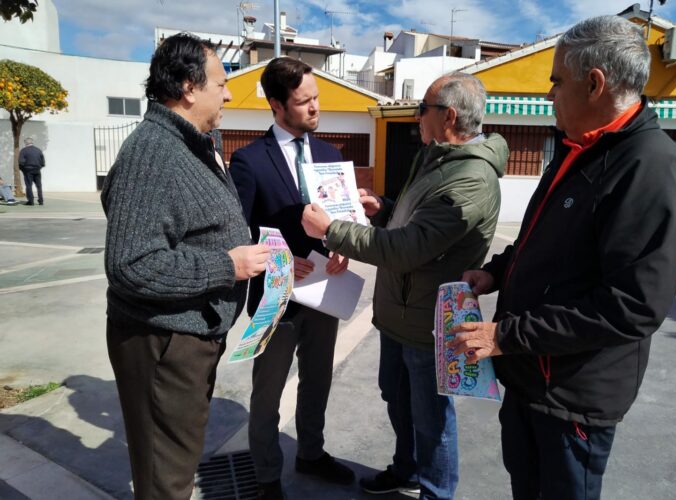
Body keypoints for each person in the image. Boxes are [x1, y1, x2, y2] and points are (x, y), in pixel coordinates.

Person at [448, 16, 676, 500]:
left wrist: (505, 334)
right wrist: (497, 272)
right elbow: (542, 241)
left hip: (571, 396)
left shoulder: (651, 170)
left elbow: (632, 307)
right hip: (530, 377)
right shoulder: (578, 148)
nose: (549, 95)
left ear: (594, 83)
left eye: (555, 81)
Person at [302, 72, 508, 499]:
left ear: (448, 116)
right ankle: (407, 469)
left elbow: (409, 248)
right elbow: (414, 223)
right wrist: (384, 208)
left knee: (431, 417)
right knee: (396, 396)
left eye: (423, 109)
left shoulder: (471, 178)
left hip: (429, 323)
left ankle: (436, 491)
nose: (416, 116)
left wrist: (333, 230)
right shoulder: (436, 157)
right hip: (401, 312)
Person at [101, 33, 270, 500]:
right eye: (221, 82)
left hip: (187, 336)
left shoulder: (189, 143)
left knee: (175, 464)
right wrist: (225, 267)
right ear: (188, 87)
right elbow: (131, 264)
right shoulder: (152, 153)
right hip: (163, 342)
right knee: (165, 479)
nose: (229, 92)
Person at [229, 57, 354, 500]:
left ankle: (311, 453)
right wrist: (278, 255)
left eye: (317, 97)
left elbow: (342, 220)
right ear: (277, 105)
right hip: (275, 297)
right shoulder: (247, 162)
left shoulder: (330, 155)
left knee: (318, 380)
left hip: (324, 292)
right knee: (268, 391)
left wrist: (343, 246)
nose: (315, 108)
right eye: (304, 101)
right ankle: (266, 475)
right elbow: (238, 231)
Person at [18, 137, 45, 206]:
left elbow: (21, 162)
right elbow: (43, 162)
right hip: (37, 170)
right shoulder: (38, 150)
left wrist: (23, 169)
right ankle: (41, 201)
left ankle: (31, 201)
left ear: (26, 143)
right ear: (32, 142)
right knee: (39, 186)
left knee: (29, 186)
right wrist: (39, 167)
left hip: (28, 170)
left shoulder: (24, 151)